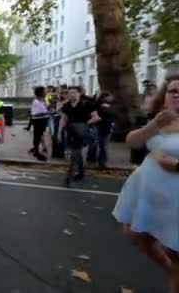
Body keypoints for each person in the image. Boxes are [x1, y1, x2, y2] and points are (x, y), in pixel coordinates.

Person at [113, 75, 179, 292]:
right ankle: (169, 269)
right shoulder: (158, 117)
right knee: (134, 234)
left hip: (175, 197)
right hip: (146, 191)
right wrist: (154, 124)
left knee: (175, 251)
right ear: (165, 95)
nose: (176, 95)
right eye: (172, 91)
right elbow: (133, 141)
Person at [58, 86, 101, 186]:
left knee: (74, 154)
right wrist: (59, 132)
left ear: (79, 94)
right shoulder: (67, 106)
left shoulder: (87, 104)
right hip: (71, 132)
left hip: (83, 132)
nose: (72, 95)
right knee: (77, 154)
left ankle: (68, 178)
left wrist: (85, 125)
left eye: (74, 92)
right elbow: (63, 119)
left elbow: (96, 118)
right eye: (70, 93)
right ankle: (81, 173)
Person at [87, 91, 115, 168]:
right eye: (109, 96)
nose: (111, 98)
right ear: (104, 97)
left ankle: (102, 162)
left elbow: (113, 115)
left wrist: (112, 123)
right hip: (97, 126)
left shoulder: (112, 105)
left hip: (107, 127)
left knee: (104, 145)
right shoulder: (96, 105)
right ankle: (91, 160)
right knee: (94, 143)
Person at [29, 86, 49, 161]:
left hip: (40, 121)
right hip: (39, 121)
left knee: (39, 135)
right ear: (41, 93)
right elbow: (44, 111)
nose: (46, 92)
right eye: (45, 91)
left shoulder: (40, 100)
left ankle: (36, 150)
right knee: (37, 136)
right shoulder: (37, 102)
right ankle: (37, 152)